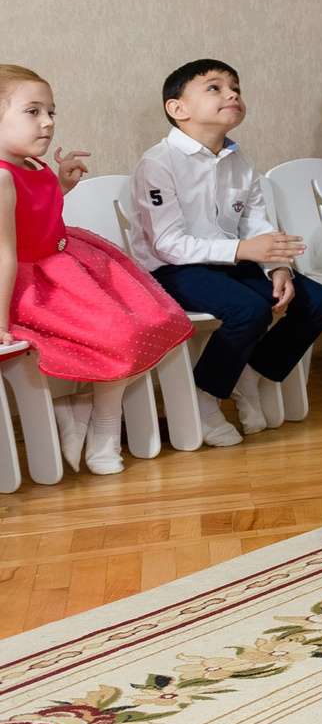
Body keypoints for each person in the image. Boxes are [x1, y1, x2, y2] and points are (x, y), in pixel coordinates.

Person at [128, 59, 322, 447]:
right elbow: (167, 244)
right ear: (178, 109)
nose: (232, 94)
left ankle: (249, 373)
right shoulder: (158, 163)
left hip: (231, 263)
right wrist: (244, 249)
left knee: (318, 303)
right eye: (214, 87)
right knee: (248, 309)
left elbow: (256, 224)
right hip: (174, 269)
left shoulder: (241, 162)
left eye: (235, 88)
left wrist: (278, 268)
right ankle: (205, 400)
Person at [0, 65, 193, 477]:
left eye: (51, 112)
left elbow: (38, 210)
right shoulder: (1, 177)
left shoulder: (33, 166)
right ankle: (101, 427)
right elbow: (5, 253)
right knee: (118, 333)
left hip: (67, 260)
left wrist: (60, 183)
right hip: (29, 280)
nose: (48, 122)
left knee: (150, 320)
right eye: (33, 111)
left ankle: (84, 409)